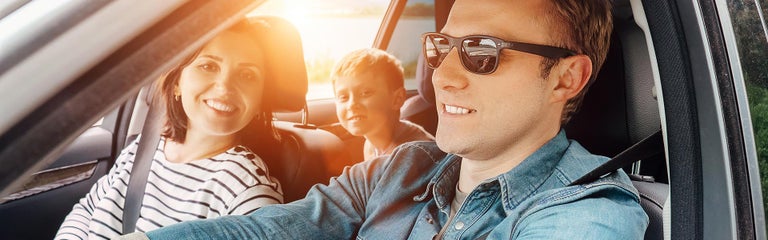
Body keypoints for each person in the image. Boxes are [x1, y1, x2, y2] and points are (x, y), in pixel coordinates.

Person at [126, 0, 649, 239]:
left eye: (482, 51)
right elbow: (276, 229)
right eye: (443, 46)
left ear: (565, 78)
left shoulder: (588, 213)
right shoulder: (402, 166)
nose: (443, 76)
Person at [55, 18, 288, 240]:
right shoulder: (145, 147)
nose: (225, 87)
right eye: (208, 66)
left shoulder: (247, 186)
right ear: (177, 82)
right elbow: (87, 210)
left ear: (260, 101)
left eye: (247, 75)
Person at [331, 48, 434, 161]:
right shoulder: (370, 145)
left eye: (365, 93)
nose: (352, 104)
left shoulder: (415, 154)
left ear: (397, 99)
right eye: (343, 97)